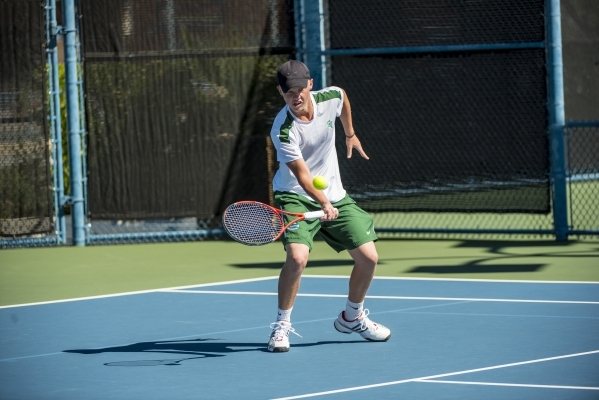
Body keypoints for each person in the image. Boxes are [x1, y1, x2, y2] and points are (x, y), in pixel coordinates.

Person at [267, 60, 391, 352]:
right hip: (295, 195)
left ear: (310, 84)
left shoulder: (329, 97)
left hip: (334, 194)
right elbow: (302, 175)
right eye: (288, 93)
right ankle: (281, 327)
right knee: (297, 258)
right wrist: (322, 202)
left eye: (300, 89)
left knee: (369, 257)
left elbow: (343, 97)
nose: (295, 97)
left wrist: (350, 133)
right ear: (281, 93)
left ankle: (352, 316)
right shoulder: (283, 129)